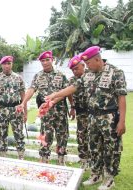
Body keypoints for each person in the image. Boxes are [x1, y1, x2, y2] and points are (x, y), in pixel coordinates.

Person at [46, 46, 127, 190]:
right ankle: (95, 174)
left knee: (111, 148)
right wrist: (55, 95)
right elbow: (73, 87)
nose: (86, 66)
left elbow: (121, 98)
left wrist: (122, 121)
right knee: (94, 147)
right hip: (92, 117)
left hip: (109, 117)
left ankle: (109, 178)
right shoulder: (88, 74)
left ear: (97, 59)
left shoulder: (116, 72)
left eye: (88, 63)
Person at [19, 51, 72, 165]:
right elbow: (31, 90)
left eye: (47, 60)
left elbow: (67, 92)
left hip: (60, 112)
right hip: (46, 113)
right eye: (43, 61)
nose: (45, 62)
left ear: (52, 60)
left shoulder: (60, 75)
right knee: (45, 137)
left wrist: (71, 107)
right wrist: (23, 102)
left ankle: (61, 160)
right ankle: (44, 160)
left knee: (62, 136)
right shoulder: (38, 76)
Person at [0, 55, 26, 159]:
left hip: (16, 110)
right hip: (2, 110)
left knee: (19, 134)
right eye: (4, 64)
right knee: (2, 134)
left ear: (12, 64)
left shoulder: (18, 78)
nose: (7, 66)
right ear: (1, 65)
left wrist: (25, 112)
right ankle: (3, 155)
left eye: (9, 63)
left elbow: (23, 97)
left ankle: (21, 155)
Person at [68, 55, 89, 169]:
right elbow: (69, 94)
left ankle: (94, 161)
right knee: (81, 136)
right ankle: (83, 160)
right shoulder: (72, 80)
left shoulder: (91, 76)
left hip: (92, 113)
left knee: (94, 137)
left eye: (76, 68)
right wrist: (72, 107)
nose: (75, 71)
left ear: (83, 65)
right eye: (73, 69)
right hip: (81, 113)